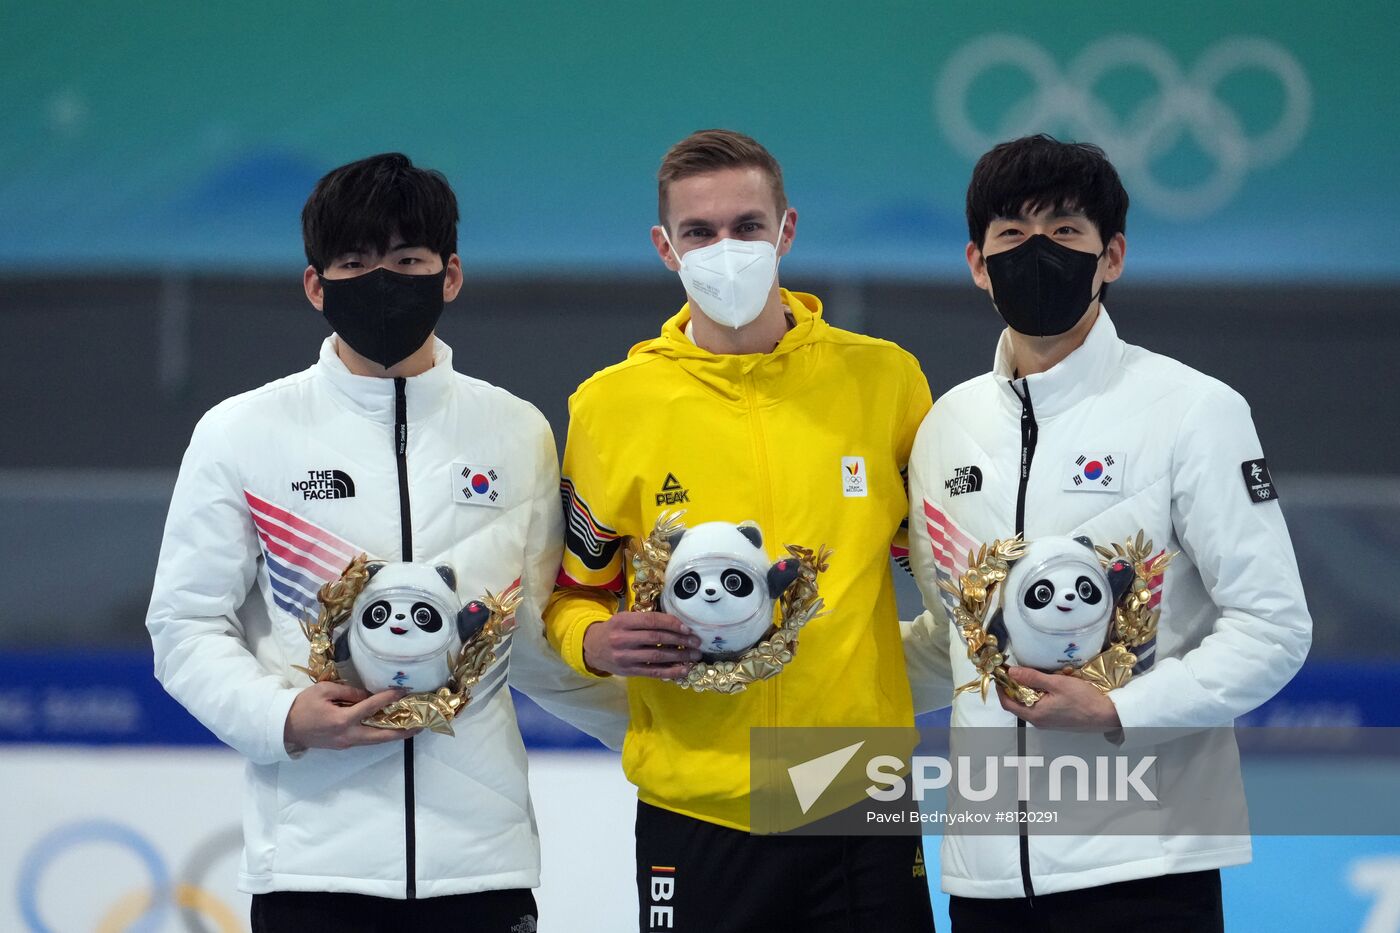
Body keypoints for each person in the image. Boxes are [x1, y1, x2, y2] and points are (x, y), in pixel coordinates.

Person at [145, 152, 628, 932]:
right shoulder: (243, 432)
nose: (382, 280)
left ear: (451, 275)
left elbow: (535, 641)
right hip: (313, 865)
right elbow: (184, 626)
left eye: (407, 260)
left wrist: (672, 738)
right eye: (355, 261)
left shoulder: (517, 431)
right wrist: (285, 717)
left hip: (481, 868)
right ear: (315, 285)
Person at [903, 134, 1312, 930]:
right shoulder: (944, 427)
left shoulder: (1194, 409)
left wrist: (1123, 709)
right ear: (977, 263)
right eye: (1012, 237)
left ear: (1112, 255)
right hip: (986, 878)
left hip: (1145, 865)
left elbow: (1275, 626)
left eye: (1064, 232)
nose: (1038, 253)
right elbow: (954, 637)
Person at [543, 128, 938, 932]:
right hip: (698, 805)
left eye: (747, 227)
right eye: (700, 232)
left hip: (853, 794)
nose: (727, 249)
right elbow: (570, 595)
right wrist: (593, 642)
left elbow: (945, 570)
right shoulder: (610, 405)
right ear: (666, 247)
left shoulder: (884, 379)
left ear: (785, 230)